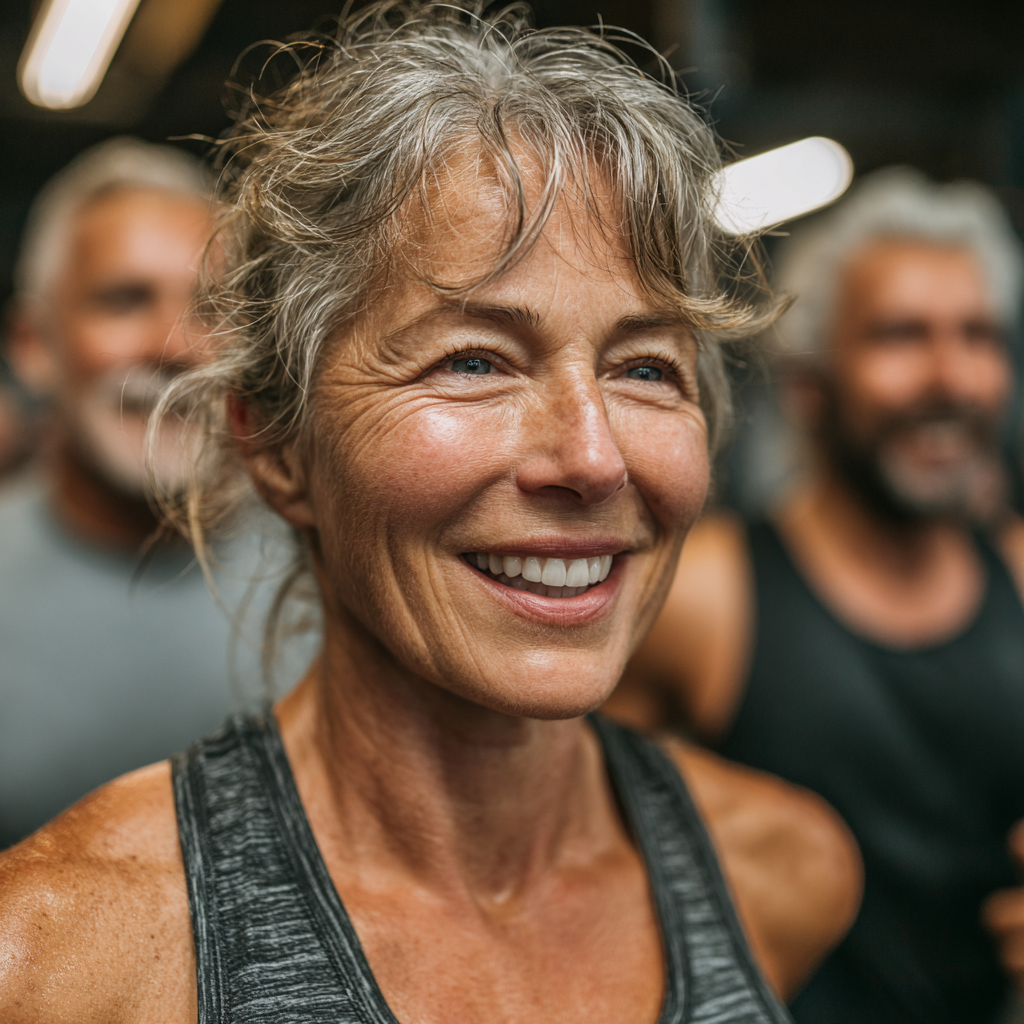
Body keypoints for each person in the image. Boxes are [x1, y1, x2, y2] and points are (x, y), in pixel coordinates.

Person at [0, 5, 862, 1020]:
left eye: (643, 368)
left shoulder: (782, 875)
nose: (591, 455)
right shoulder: (57, 961)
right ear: (275, 446)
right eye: (472, 361)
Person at [605, 168, 1024, 1023]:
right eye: (902, 336)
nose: (951, 377)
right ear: (809, 383)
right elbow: (561, 854)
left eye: (978, 336)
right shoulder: (703, 597)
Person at [0, 138, 303, 848]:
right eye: (124, 299)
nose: (176, 345)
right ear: (33, 346)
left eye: (210, 306)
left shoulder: (342, 571)